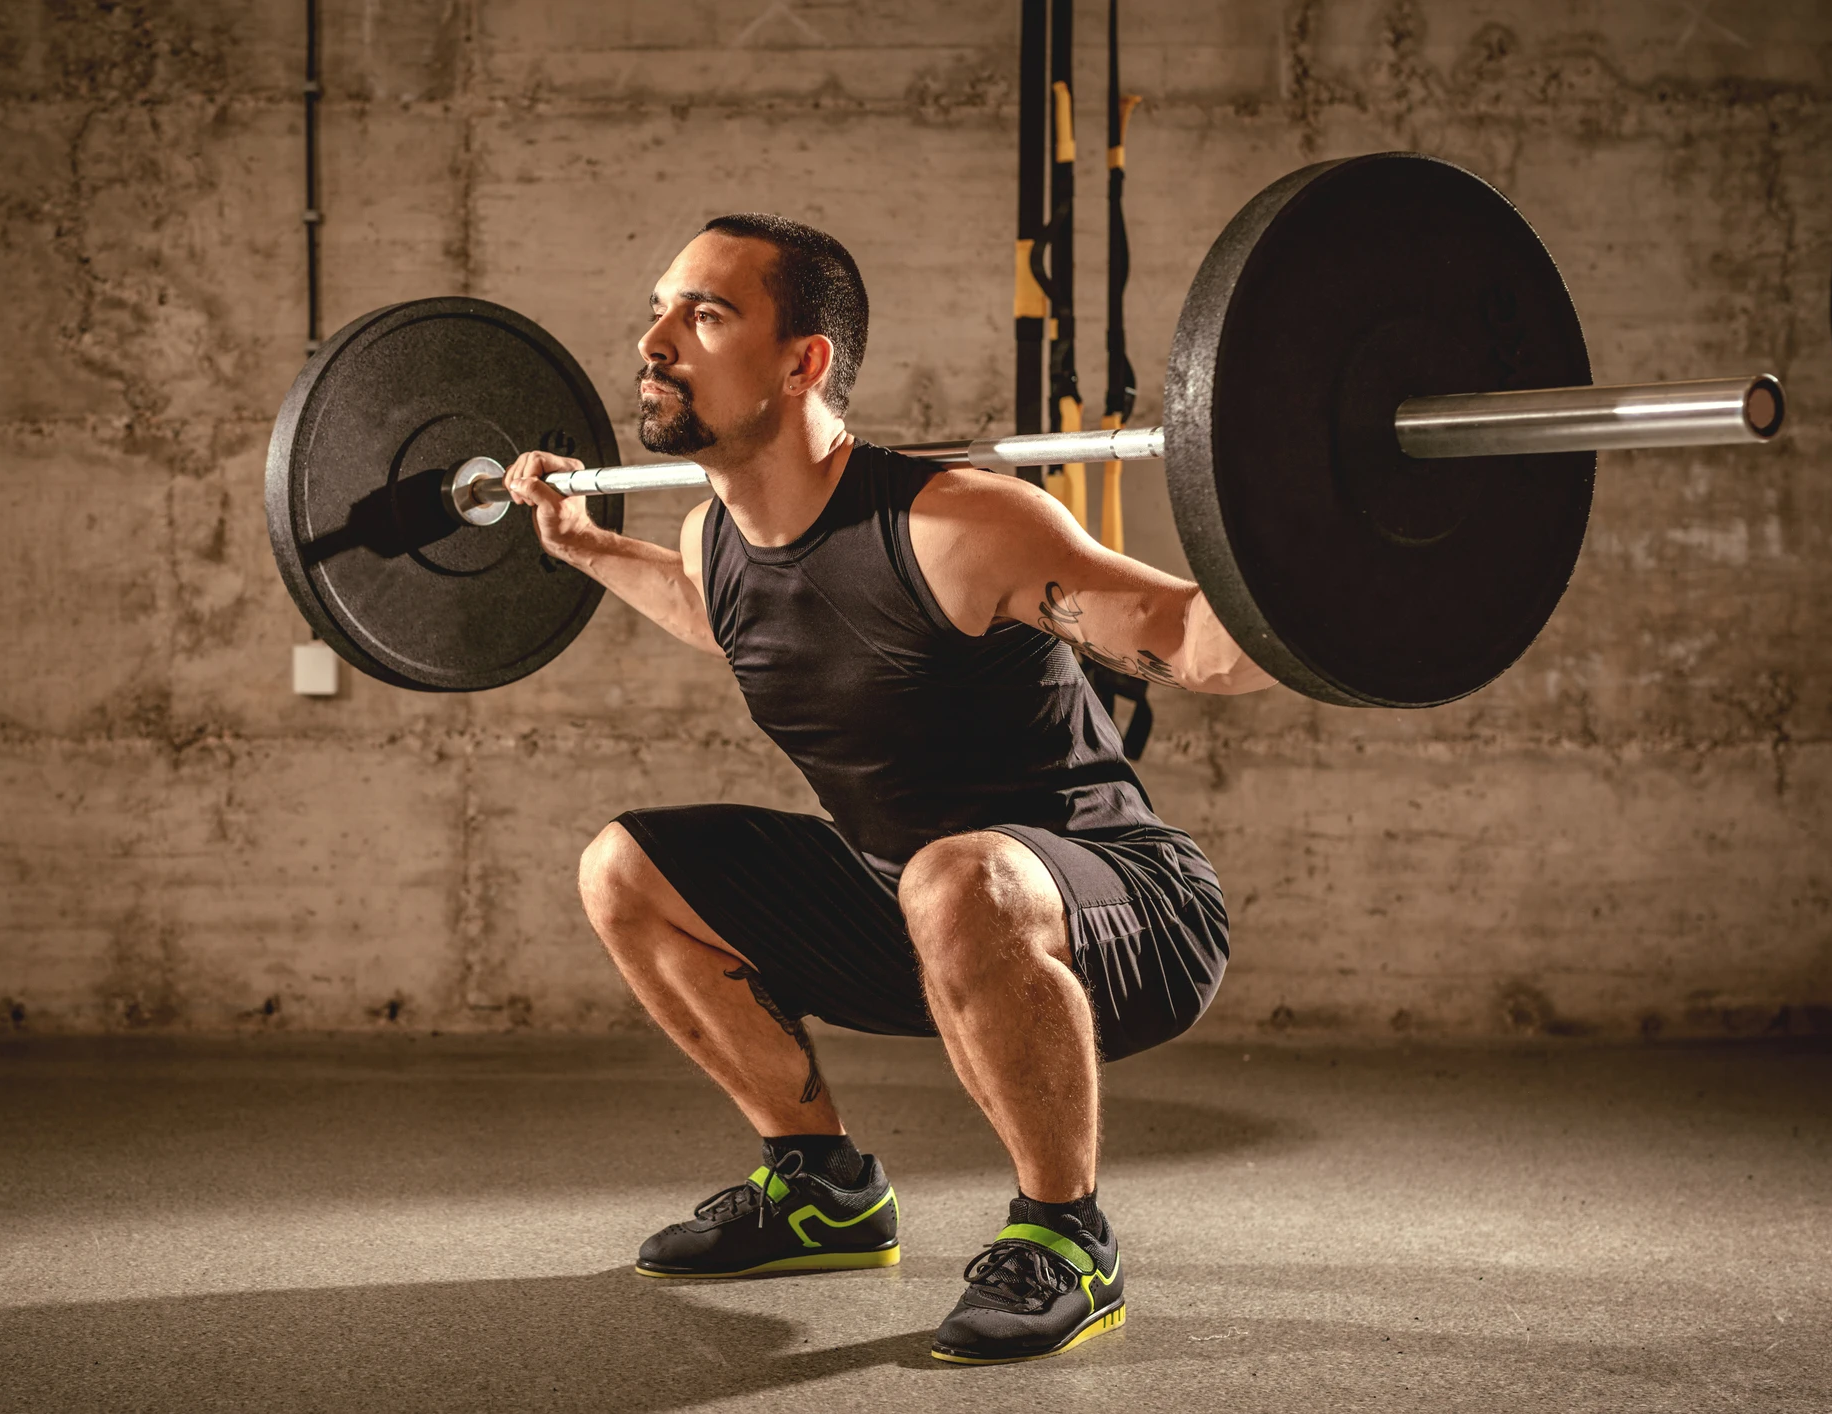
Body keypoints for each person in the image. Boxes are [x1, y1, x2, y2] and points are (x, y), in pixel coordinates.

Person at [501, 213, 1274, 1365]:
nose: (655, 339)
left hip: (1124, 910)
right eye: (660, 306)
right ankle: (823, 1185)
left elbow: (1195, 641)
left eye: (705, 314)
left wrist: (1313, 537)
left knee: (955, 872)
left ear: (803, 362)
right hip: (913, 905)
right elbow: (743, 626)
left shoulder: (955, 522)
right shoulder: (719, 537)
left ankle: (1068, 1236)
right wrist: (586, 546)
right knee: (626, 869)